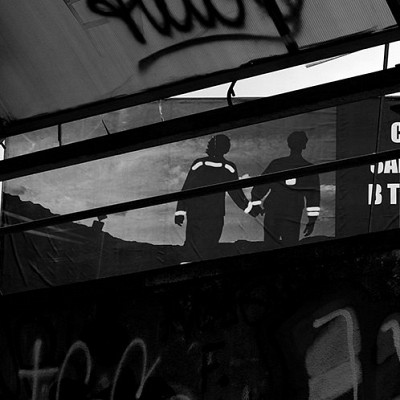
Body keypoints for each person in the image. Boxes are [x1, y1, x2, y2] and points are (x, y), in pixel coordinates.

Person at [175, 134, 261, 259]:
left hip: (196, 213)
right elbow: (237, 194)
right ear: (226, 148)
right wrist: (251, 210)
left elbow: (187, 189)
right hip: (215, 215)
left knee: (192, 246)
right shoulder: (228, 167)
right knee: (209, 247)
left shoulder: (199, 164)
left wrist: (180, 212)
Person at [251, 131, 320, 248]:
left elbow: (260, 186)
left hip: (275, 212)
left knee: (270, 246)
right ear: (304, 145)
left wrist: (256, 204)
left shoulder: (277, 164)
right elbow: (313, 198)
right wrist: (312, 220)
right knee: (289, 244)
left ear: (289, 144)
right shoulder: (308, 168)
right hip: (292, 214)